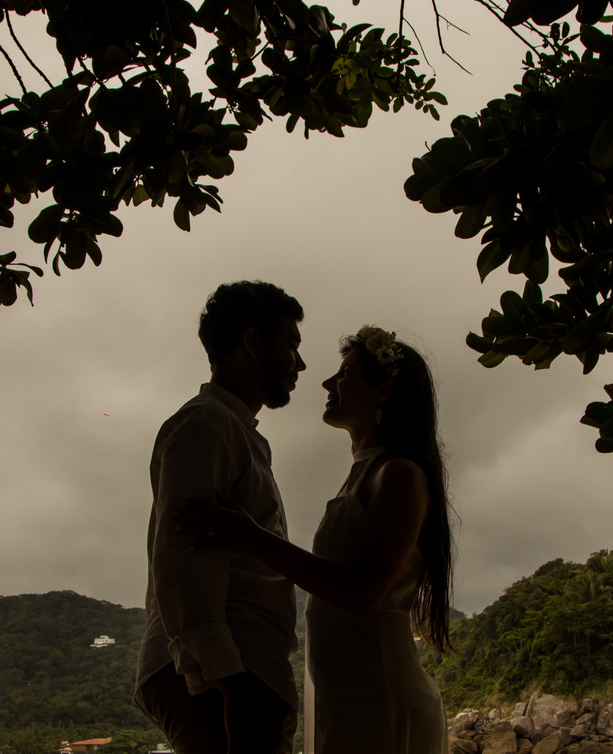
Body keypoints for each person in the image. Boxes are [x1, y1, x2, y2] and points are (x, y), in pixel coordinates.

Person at [178, 325, 454, 754]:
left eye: (345, 373)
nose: (327, 383)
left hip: (381, 698)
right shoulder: (364, 475)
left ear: (383, 392)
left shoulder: (398, 474)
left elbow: (363, 592)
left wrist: (254, 539)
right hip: (344, 700)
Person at [134, 281, 307, 754]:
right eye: (291, 345)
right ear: (253, 344)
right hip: (225, 675)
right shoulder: (206, 425)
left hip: (241, 669)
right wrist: (228, 678)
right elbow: (184, 557)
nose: (301, 364)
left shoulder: (235, 432)